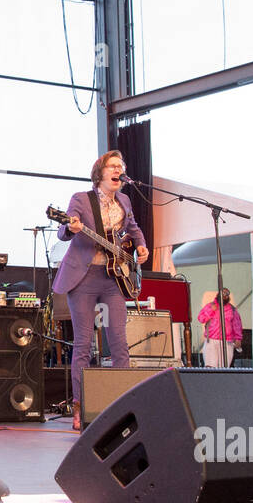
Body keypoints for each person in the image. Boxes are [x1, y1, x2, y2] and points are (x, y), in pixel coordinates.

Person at [52, 150, 150, 430]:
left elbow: (133, 228)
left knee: (118, 341)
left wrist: (140, 246)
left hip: (114, 278)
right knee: (83, 343)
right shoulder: (81, 199)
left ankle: (123, 406)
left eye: (122, 166)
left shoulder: (126, 200)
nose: (119, 170)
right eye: (113, 166)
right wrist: (70, 228)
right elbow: (63, 231)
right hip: (83, 277)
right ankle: (80, 408)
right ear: (100, 172)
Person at [197, 288, 243, 367]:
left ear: (228, 297)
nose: (224, 297)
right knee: (210, 367)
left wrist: (238, 338)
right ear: (218, 295)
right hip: (211, 340)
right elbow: (201, 318)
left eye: (225, 295)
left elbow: (237, 325)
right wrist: (211, 310)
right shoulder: (210, 306)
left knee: (223, 368)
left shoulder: (232, 309)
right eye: (222, 294)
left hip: (227, 341)